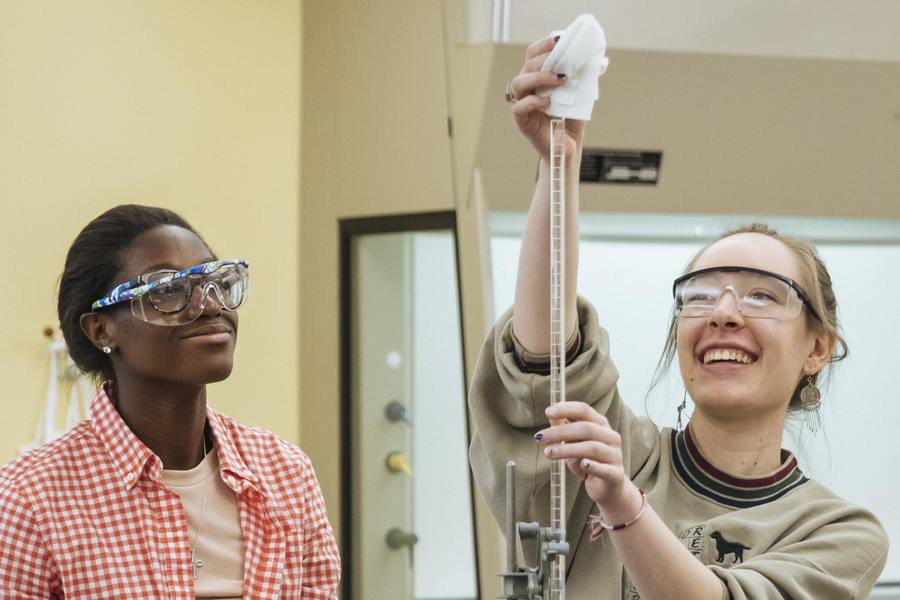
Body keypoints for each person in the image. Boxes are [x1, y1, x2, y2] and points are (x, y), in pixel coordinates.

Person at [469, 36, 888, 599]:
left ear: (818, 348)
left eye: (764, 295)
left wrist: (621, 506)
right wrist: (559, 164)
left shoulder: (837, 534)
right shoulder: (622, 454)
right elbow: (543, 363)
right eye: (700, 294)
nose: (724, 313)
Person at [0, 205, 340, 599]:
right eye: (168, 289)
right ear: (101, 329)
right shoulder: (30, 499)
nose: (211, 305)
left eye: (216, 280)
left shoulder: (284, 474)